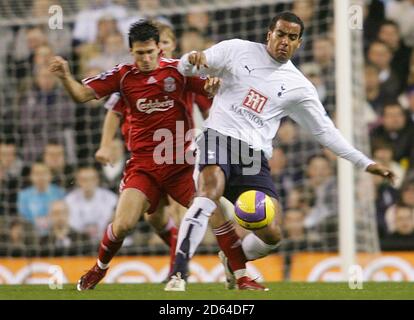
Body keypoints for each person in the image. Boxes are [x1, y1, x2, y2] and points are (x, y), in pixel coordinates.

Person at [165, 11, 395, 292]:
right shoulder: (237, 50)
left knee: (272, 234)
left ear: (299, 43)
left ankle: (232, 260)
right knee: (208, 193)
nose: (285, 41)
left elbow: (325, 132)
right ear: (269, 35)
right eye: (281, 34)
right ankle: (178, 272)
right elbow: (185, 68)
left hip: (253, 157)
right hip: (218, 137)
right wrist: (192, 59)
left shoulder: (300, 87)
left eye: (292, 37)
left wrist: (365, 163)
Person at [49, 20, 222, 291]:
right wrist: (64, 77)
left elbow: (212, 91)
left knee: (207, 211)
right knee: (126, 224)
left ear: (161, 49)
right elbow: (87, 97)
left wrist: (214, 85)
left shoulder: (179, 70)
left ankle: (211, 271)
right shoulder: (124, 76)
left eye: (151, 51)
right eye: (140, 53)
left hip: (180, 162)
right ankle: (99, 269)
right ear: (131, 52)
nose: (145, 58)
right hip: (143, 166)